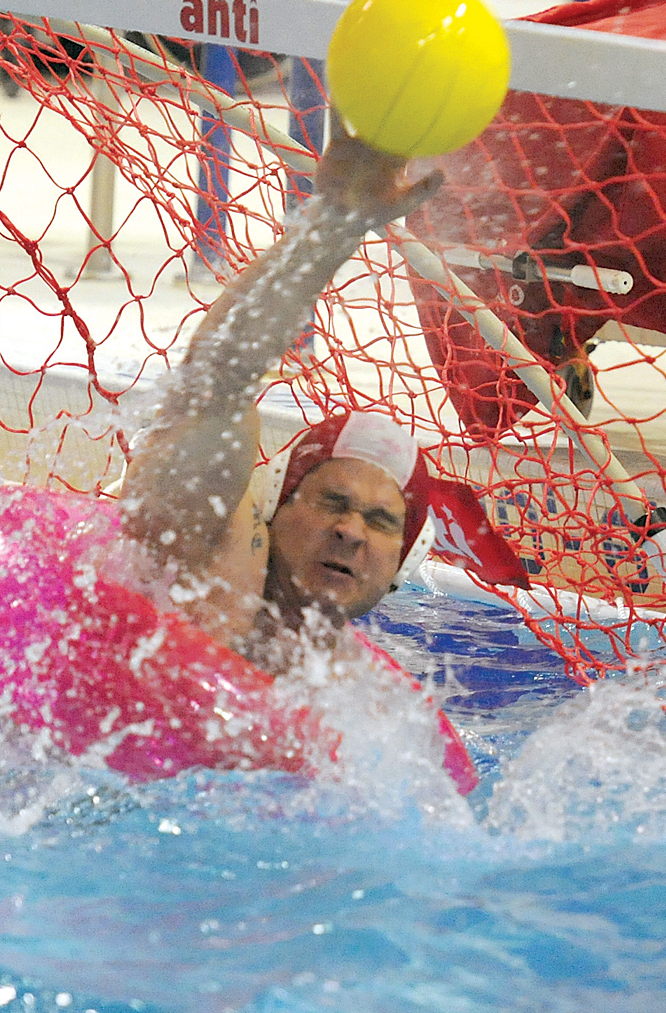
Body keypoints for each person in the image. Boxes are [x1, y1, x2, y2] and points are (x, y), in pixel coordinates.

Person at [113, 131, 444, 676]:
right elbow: (218, 381)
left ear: (402, 564)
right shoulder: (203, 563)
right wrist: (335, 225)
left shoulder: (364, 694)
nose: (351, 532)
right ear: (274, 504)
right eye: (332, 502)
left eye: (382, 521)